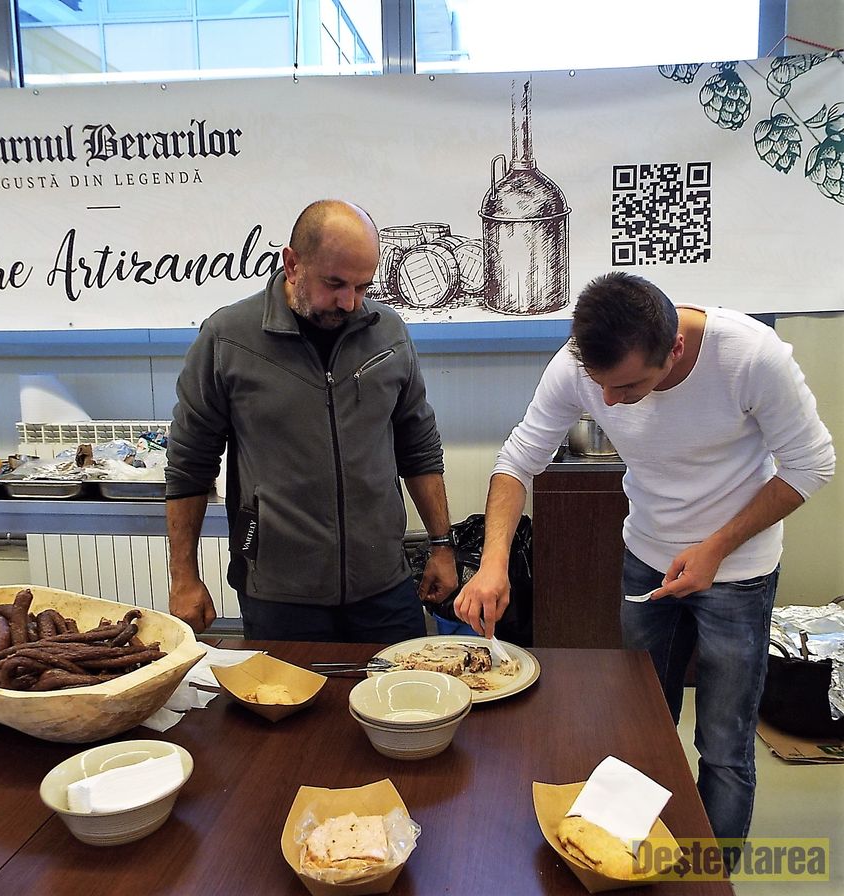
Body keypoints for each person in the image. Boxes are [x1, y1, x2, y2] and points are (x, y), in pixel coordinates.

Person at [456, 272, 835, 853]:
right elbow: (518, 460)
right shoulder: (576, 366)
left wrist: (715, 548)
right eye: (600, 385)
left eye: (628, 386)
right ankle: (630, 859)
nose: (608, 402)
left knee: (724, 746)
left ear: (674, 349)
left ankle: (708, 879)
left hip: (738, 571)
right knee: (638, 723)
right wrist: (493, 563)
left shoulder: (751, 356)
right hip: (646, 560)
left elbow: (812, 464)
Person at [165, 199, 458, 642]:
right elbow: (189, 464)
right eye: (334, 283)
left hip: (384, 586)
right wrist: (184, 576)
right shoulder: (228, 339)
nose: (350, 302)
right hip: (279, 594)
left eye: (363, 286)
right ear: (292, 264)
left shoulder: (389, 332)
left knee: (405, 686)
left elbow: (418, 446)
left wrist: (441, 545)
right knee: (292, 691)